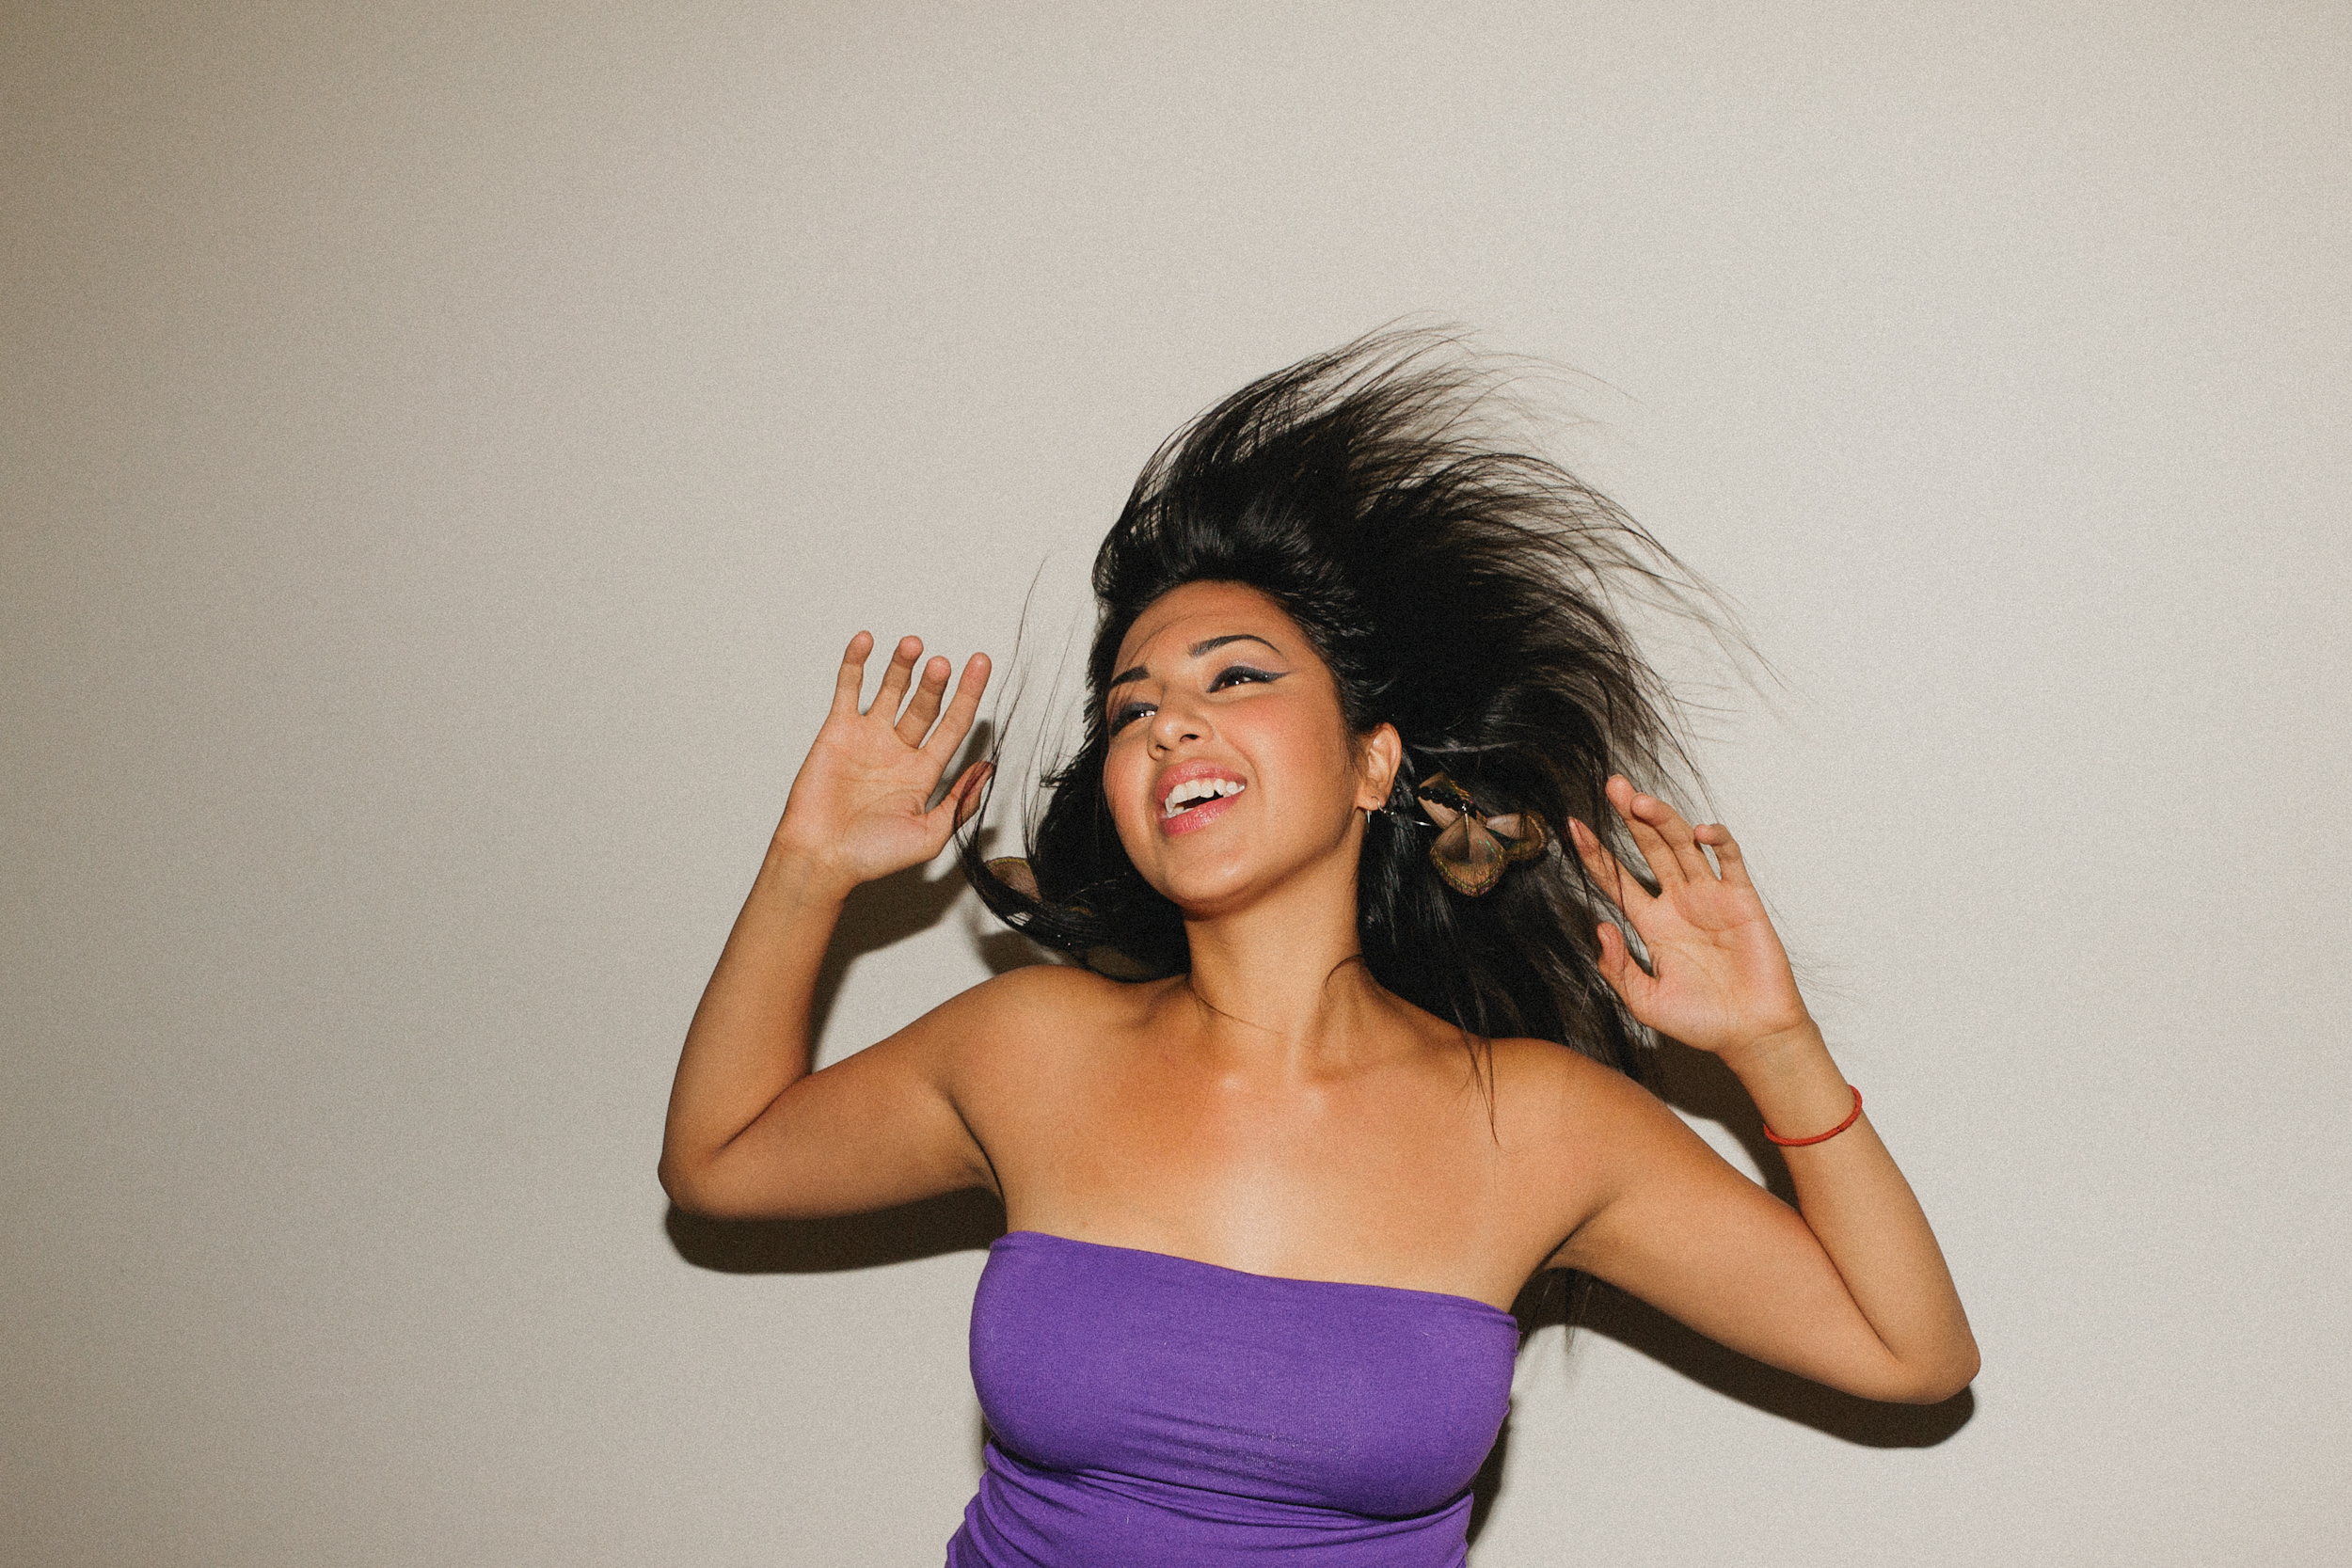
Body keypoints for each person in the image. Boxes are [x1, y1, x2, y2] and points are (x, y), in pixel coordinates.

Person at [660, 332, 1979, 1566]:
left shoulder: (1538, 1123)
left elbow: (1910, 1355)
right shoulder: (1029, 1047)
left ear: (1371, 762)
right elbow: (719, 1163)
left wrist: (1774, 1045)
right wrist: (807, 865)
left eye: (1235, 677)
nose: (1170, 725)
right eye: (1132, 710)